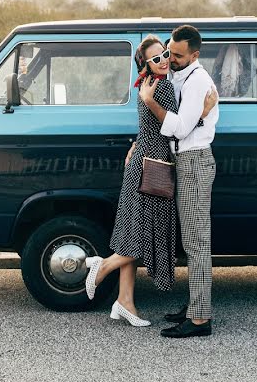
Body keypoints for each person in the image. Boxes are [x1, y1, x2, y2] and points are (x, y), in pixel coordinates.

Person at [84, 35, 217, 327]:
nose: (165, 60)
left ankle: (125, 301)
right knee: (146, 232)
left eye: (167, 54)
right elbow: (176, 128)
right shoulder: (163, 86)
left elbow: (154, 125)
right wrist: (204, 112)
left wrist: (137, 142)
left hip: (144, 160)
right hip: (154, 165)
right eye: (157, 58)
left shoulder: (150, 84)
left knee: (134, 228)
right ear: (145, 64)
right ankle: (103, 265)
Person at [139, 24, 219, 339]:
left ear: (195, 55)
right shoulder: (181, 72)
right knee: (191, 241)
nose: (170, 58)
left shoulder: (197, 79)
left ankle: (200, 320)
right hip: (186, 162)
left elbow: (181, 128)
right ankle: (194, 308)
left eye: (177, 54)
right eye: (169, 52)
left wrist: (150, 102)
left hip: (194, 162)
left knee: (197, 243)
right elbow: (187, 117)